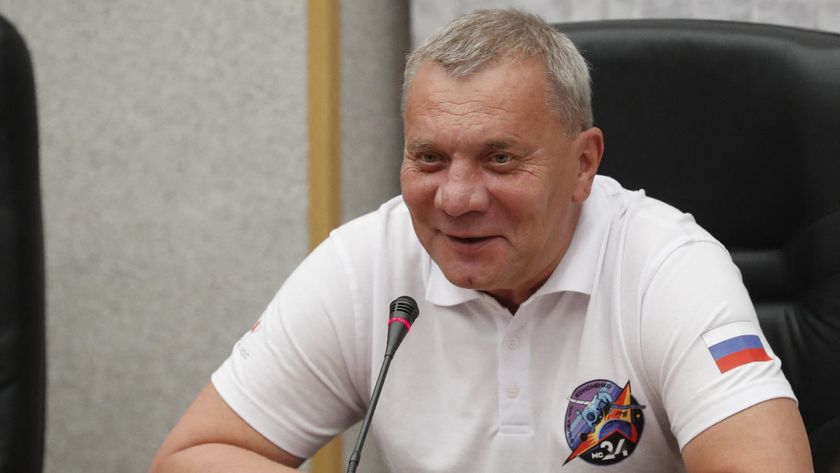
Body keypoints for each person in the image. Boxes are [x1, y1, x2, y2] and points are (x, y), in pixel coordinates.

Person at [149, 9, 812, 473]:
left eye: (499, 159)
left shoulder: (667, 267)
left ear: (583, 164)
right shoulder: (367, 265)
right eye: (430, 158)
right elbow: (192, 455)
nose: (457, 198)